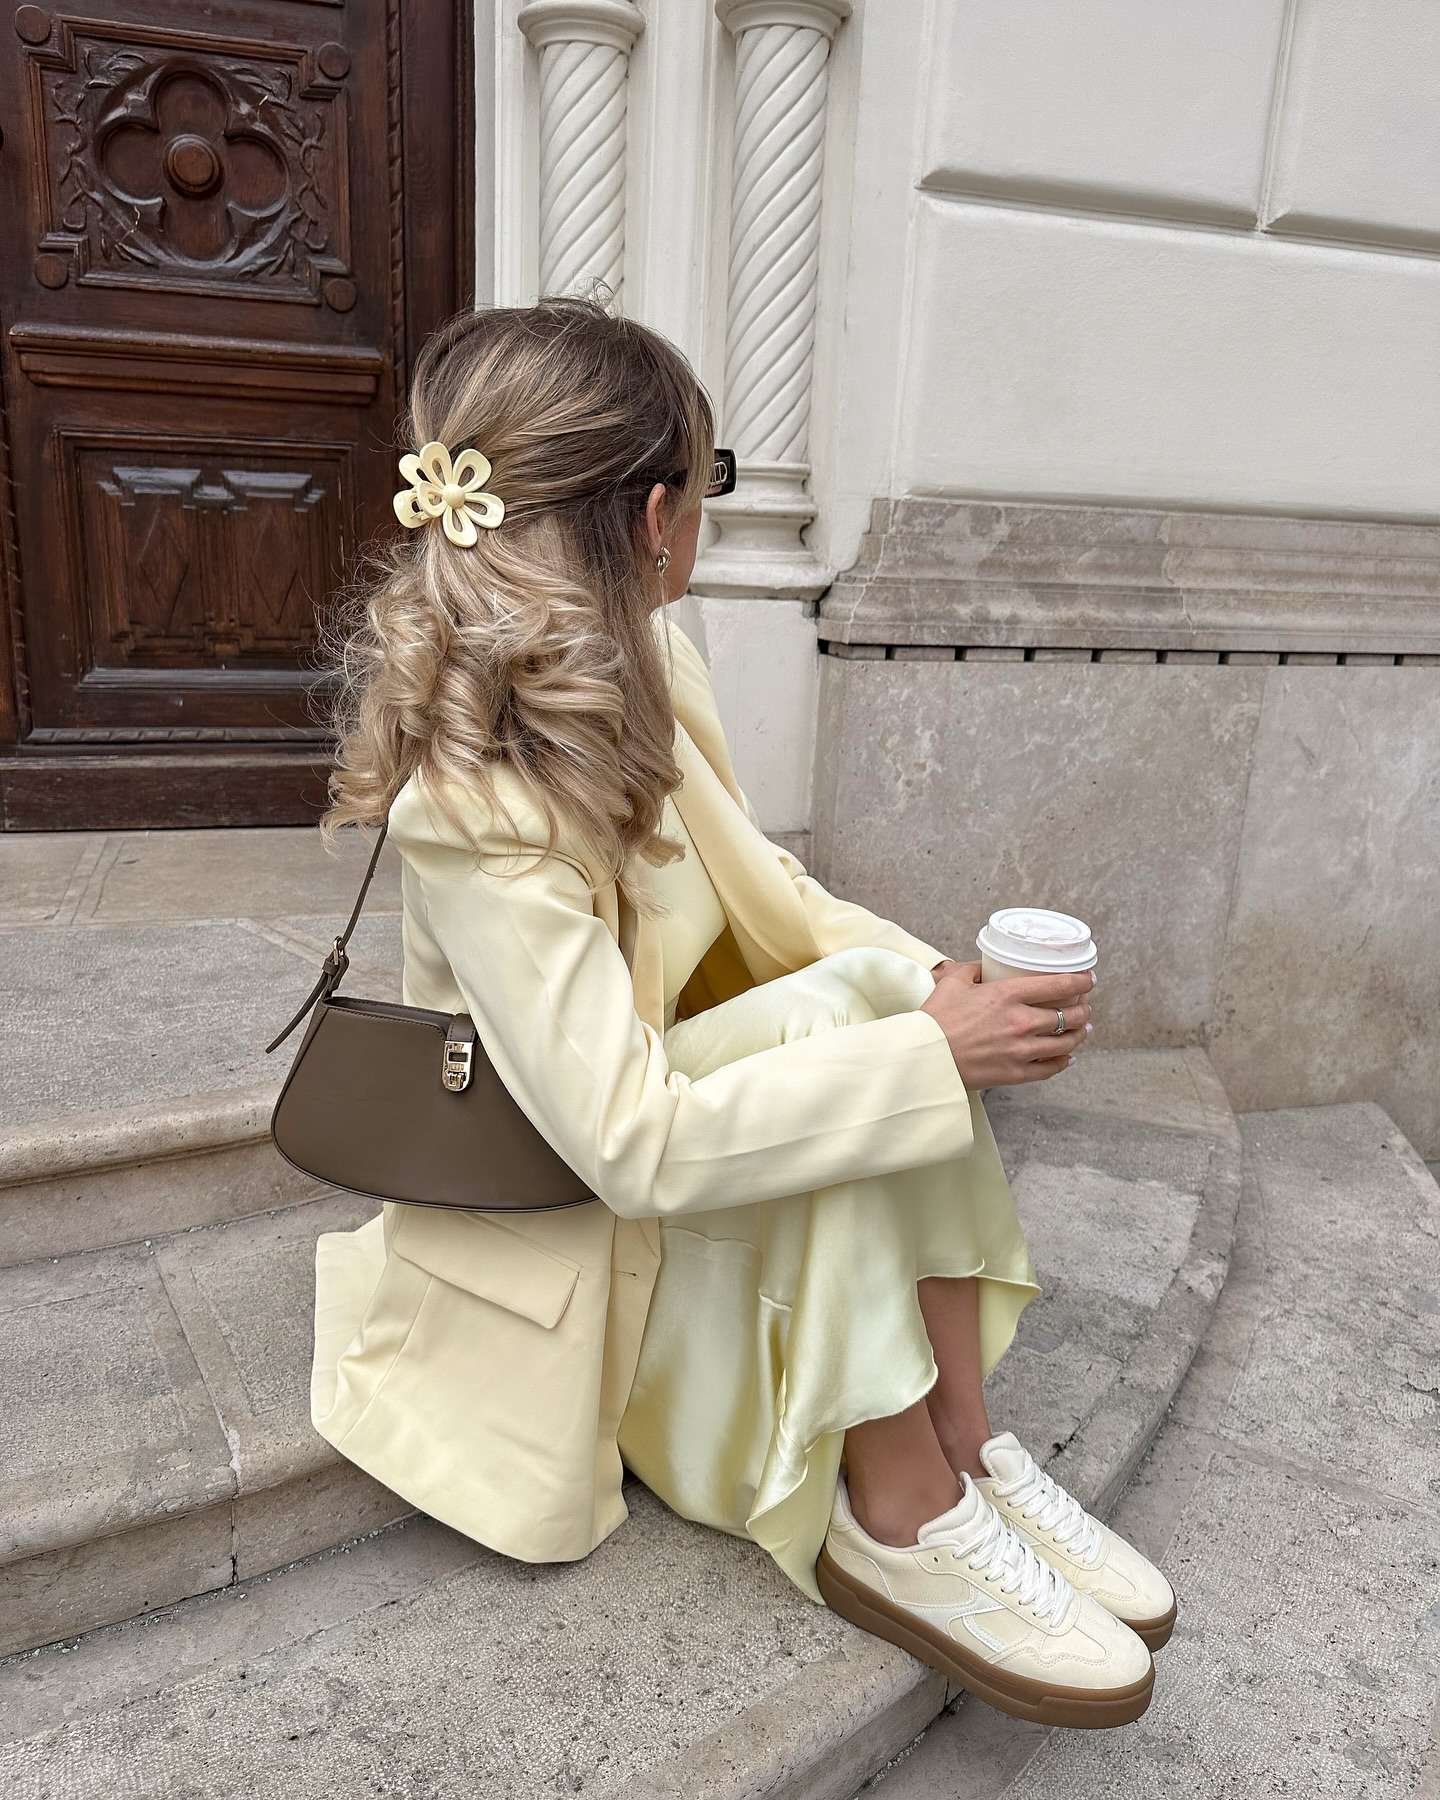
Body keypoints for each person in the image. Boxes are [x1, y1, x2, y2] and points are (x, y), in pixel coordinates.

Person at [309, 295, 1175, 1731]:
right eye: (707, 486)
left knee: (872, 1005)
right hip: (579, 1229)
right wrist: (913, 1044)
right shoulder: (473, 795)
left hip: (662, 1163)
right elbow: (630, 1147)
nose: (702, 520)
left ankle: (962, 1447)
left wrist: (937, 989)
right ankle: (894, 1513)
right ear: (653, 516)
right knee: (862, 1048)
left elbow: (770, 892)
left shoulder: (648, 668)